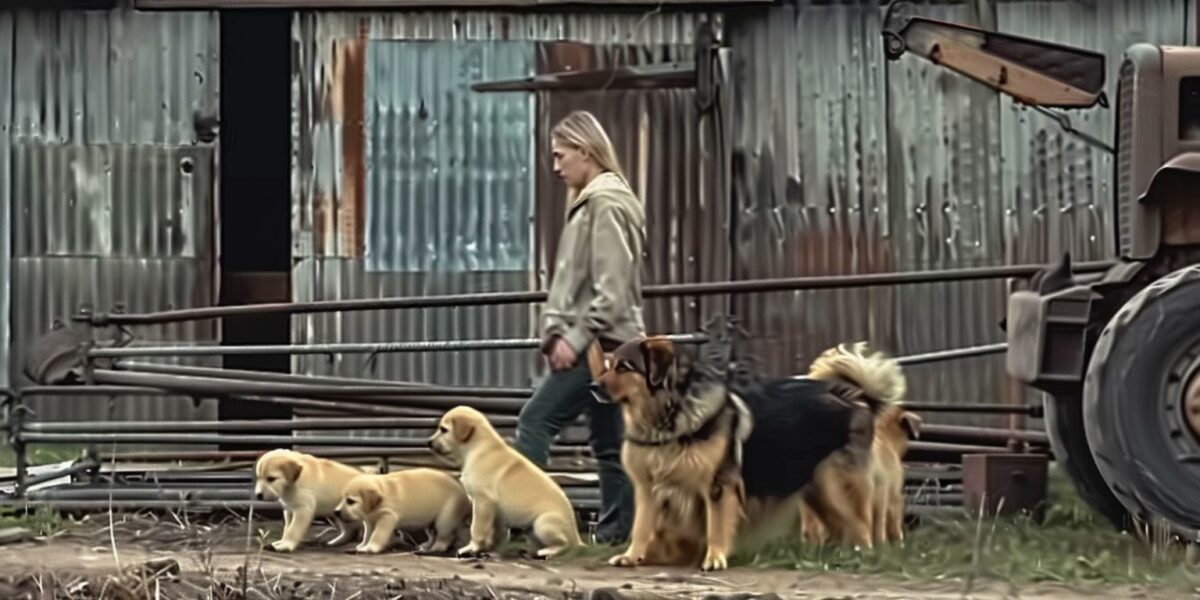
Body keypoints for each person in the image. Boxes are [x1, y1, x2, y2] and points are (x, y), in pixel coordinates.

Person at [514, 110, 646, 546]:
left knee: (536, 421)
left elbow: (612, 289)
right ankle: (615, 536)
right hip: (612, 345)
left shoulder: (604, 204)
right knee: (611, 443)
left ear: (585, 152)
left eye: (560, 155)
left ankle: (529, 525)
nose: (555, 167)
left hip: (599, 345)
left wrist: (571, 337)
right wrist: (555, 331)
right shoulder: (597, 200)